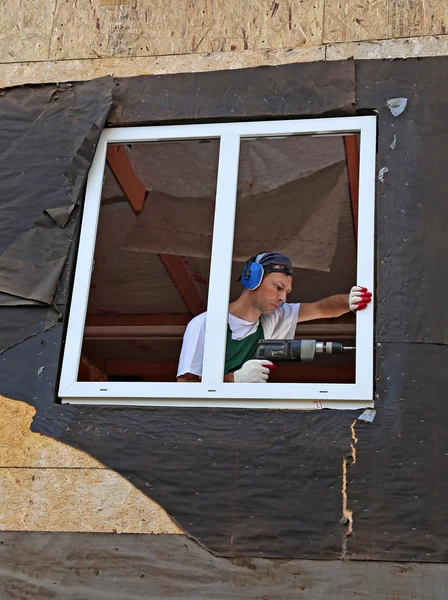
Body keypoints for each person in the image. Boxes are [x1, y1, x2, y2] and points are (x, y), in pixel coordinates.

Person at [177, 251, 371, 383]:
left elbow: (320, 308)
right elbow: (185, 385)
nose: (283, 298)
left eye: (286, 291)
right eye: (278, 287)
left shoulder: (274, 319)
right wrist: (234, 379)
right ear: (253, 279)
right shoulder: (204, 324)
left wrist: (350, 301)